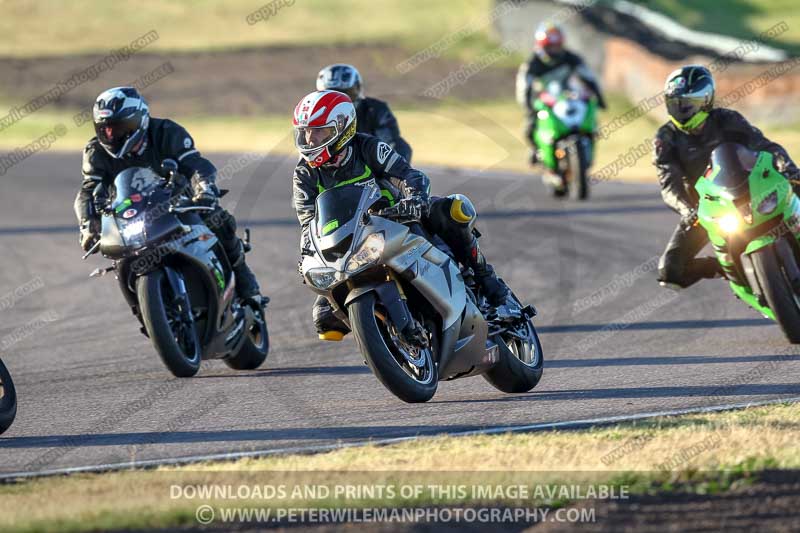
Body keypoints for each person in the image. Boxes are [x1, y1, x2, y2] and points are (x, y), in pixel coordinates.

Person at [291, 90, 507, 340]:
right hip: (351, 240)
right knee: (324, 319)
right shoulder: (304, 174)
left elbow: (409, 174)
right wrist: (309, 253)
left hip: (399, 218)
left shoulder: (367, 146)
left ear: (342, 127)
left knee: (452, 210)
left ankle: (488, 281)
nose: (310, 138)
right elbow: (308, 222)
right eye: (305, 131)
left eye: (319, 130)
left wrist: (414, 199)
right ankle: (383, 332)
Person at [74, 86, 261, 300]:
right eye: (104, 128)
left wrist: (205, 190)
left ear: (139, 120)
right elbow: (87, 191)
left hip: (178, 203)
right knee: (120, 259)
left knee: (218, 219)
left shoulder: (167, 132)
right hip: (131, 214)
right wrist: (88, 225)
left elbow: (197, 165)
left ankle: (244, 277)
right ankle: (146, 308)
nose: (110, 134)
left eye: (118, 127)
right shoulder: (95, 151)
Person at [654, 65, 799, 289]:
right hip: (707, 209)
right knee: (670, 270)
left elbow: (764, 145)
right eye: (675, 104)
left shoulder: (727, 119)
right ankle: (729, 269)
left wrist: (788, 168)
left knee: (797, 185)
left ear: (706, 101)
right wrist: (687, 211)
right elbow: (668, 183)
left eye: (687, 104)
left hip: (751, 189)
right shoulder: (666, 137)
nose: (681, 110)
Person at [516, 22, 606, 164]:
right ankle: (537, 151)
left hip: (565, 95)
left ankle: (587, 146)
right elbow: (524, 87)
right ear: (541, 46)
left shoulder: (571, 58)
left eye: (556, 46)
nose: (553, 51)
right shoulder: (532, 64)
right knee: (529, 127)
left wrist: (600, 99)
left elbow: (588, 77)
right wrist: (529, 107)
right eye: (549, 47)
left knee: (590, 115)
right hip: (543, 98)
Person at [316, 63, 413, 162]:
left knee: (402, 147)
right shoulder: (315, 114)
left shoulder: (375, 109)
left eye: (346, 92)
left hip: (370, 166)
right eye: (332, 95)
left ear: (358, 88)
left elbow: (390, 142)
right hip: (329, 167)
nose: (340, 100)